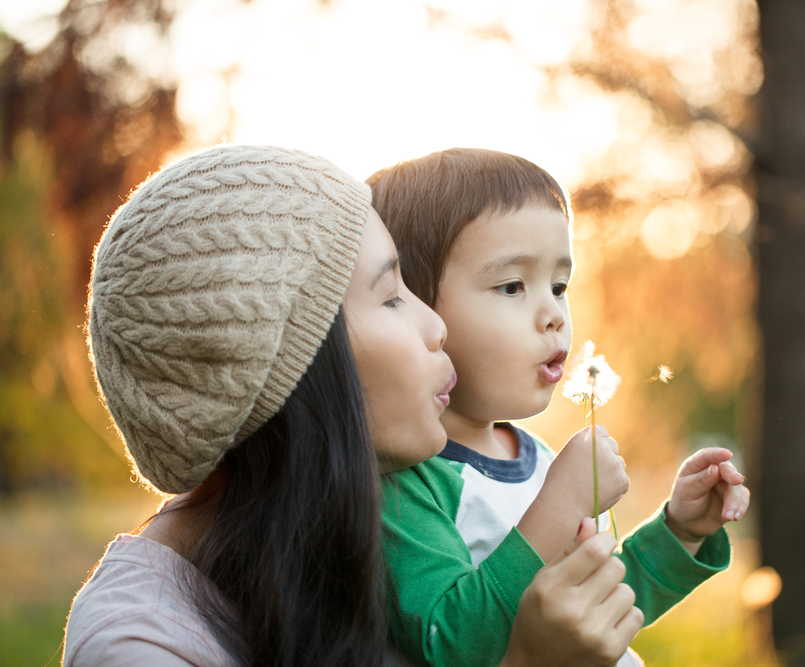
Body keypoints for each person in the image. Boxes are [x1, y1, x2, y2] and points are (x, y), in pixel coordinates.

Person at [63, 144, 643, 667]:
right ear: (294, 365)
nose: (437, 326)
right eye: (392, 296)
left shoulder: (340, 551)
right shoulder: (139, 645)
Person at [367, 148, 752, 667]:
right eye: (511, 286)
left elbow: (600, 610)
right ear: (413, 306)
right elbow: (451, 642)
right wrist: (562, 504)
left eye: (559, 286)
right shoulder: (407, 486)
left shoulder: (539, 458)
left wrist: (678, 533)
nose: (552, 314)